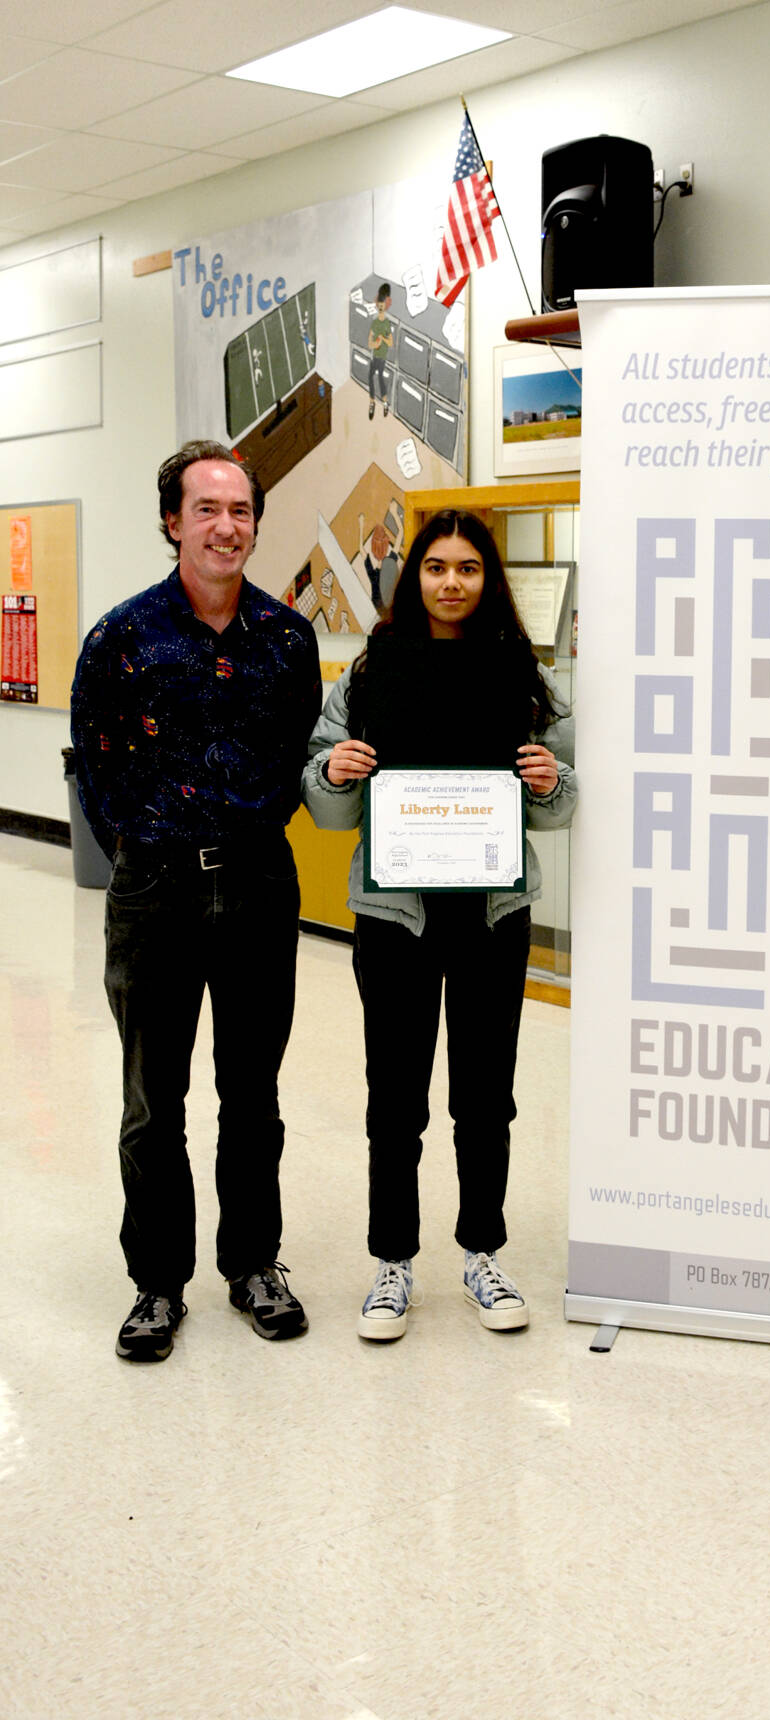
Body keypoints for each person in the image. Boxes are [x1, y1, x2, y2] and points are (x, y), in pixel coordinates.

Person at [71, 442, 320, 1362]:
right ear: (174, 521)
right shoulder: (121, 639)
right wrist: (149, 850)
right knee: (153, 1100)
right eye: (207, 508)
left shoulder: (287, 640)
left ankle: (254, 1264)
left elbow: (298, 761)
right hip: (156, 894)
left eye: (242, 510)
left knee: (253, 1095)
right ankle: (157, 1284)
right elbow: (95, 766)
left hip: (257, 885)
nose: (227, 526)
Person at [302, 510, 577, 1340]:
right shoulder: (369, 670)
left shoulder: (522, 674)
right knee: (395, 1095)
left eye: (467, 568)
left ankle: (482, 1252)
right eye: (436, 567)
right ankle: (392, 1262)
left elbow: (566, 797)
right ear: (412, 574)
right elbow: (322, 800)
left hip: (492, 915)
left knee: (485, 1095)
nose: (451, 582)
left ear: (487, 580)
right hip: (397, 916)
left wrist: (546, 780)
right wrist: (336, 769)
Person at [367, 282, 394, 420]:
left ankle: (384, 402)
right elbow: (369, 342)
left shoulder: (386, 324)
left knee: (380, 378)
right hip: (375, 355)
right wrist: (374, 344)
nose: (380, 307)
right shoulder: (375, 322)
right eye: (379, 305)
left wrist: (382, 339)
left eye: (382, 305)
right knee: (370, 377)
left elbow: (391, 342)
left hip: (382, 357)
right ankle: (372, 402)